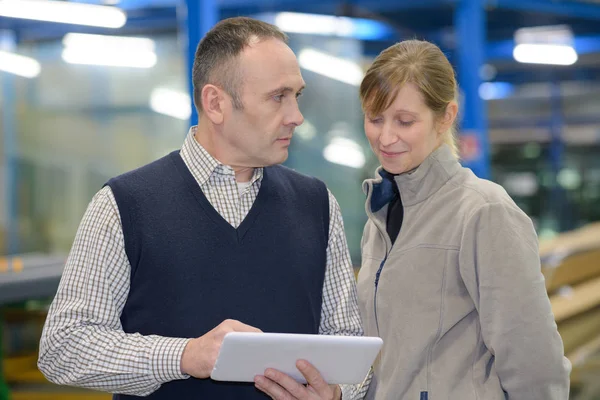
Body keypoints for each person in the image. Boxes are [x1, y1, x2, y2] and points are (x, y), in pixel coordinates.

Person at [38, 17, 366, 400]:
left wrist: (339, 394)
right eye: (278, 96)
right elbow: (63, 348)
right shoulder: (124, 206)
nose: (296, 116)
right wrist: (185, 355)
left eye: (297, 95)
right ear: (215, 103)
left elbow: (348, 348)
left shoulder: (317, 206)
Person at [356, 40, 571, 399]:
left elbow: (534, 362)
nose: (386, 137)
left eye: (405, 121)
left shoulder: (484, 212)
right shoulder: (378, 218)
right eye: (375, 119)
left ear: (446, 117)